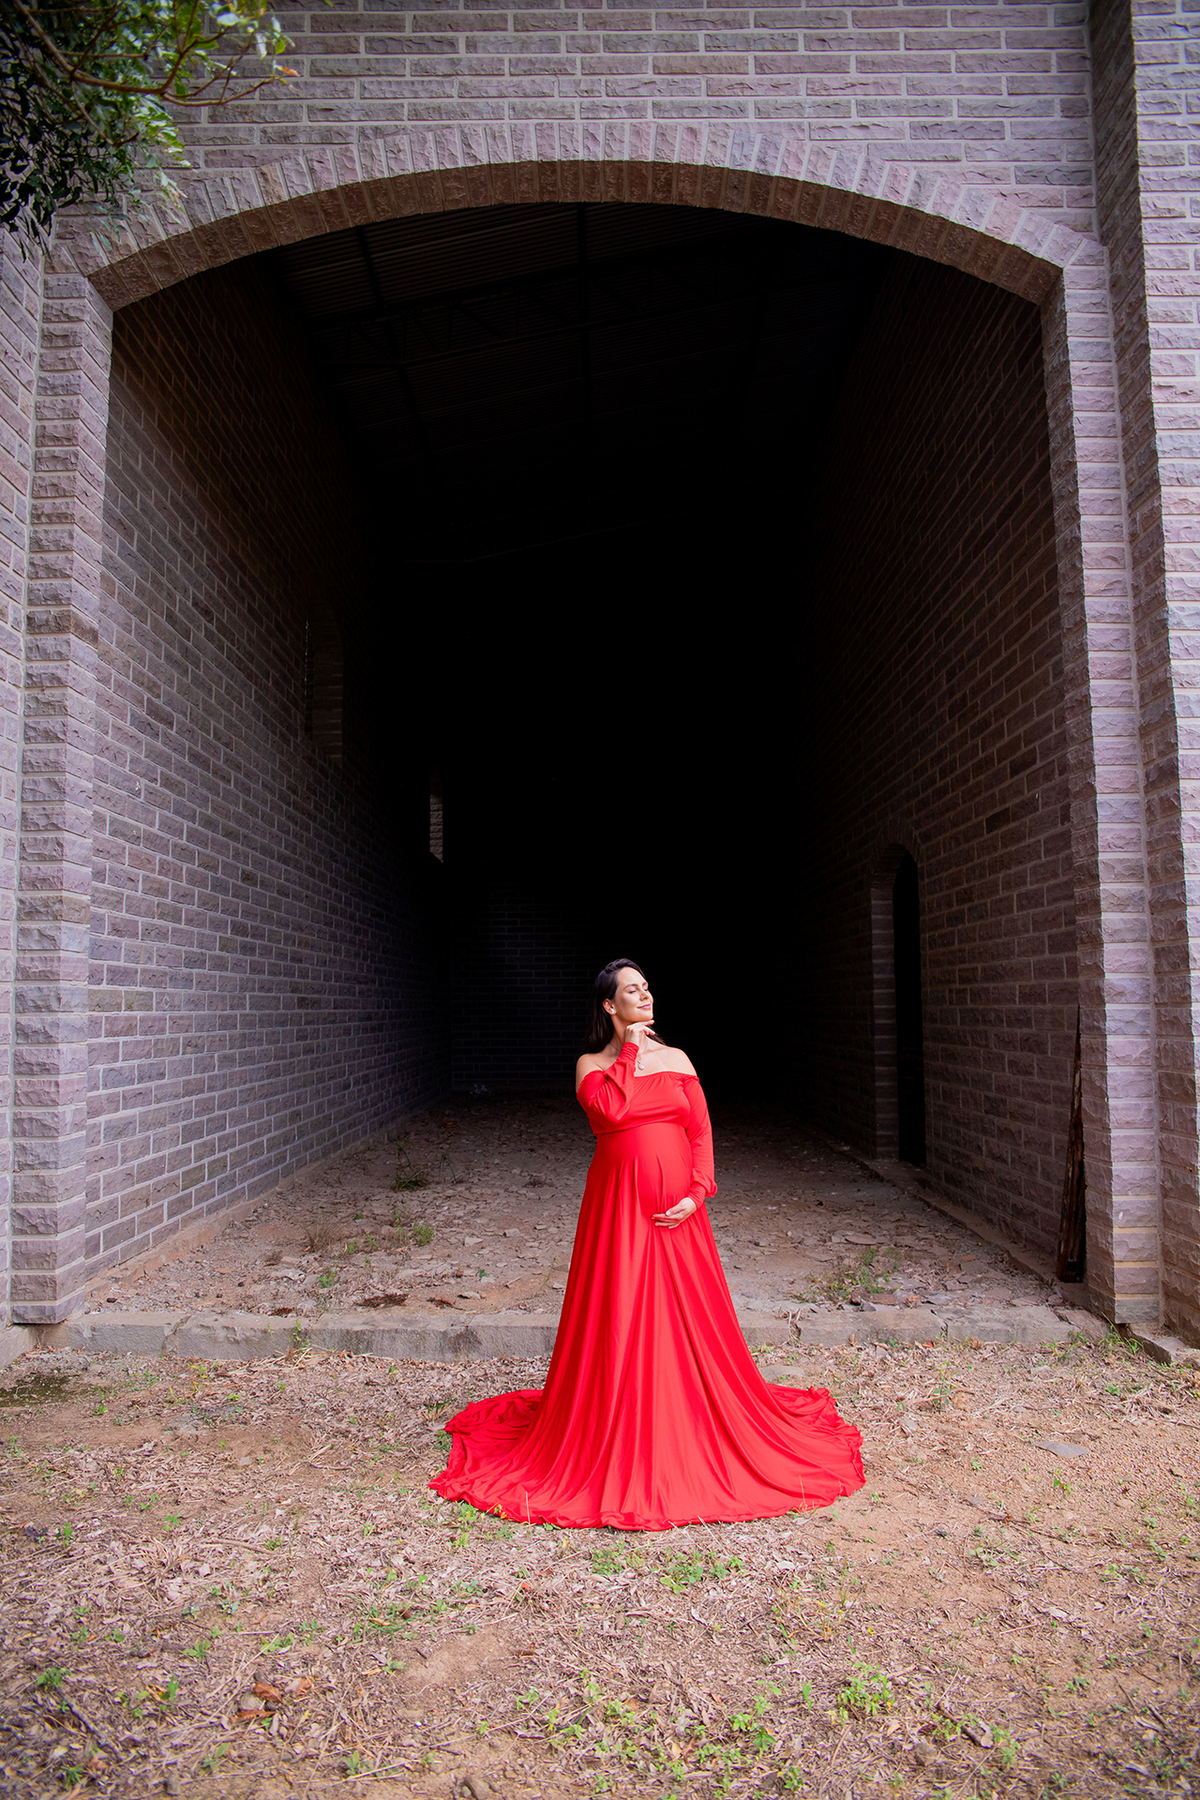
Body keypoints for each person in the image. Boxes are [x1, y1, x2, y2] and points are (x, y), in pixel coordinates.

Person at [429, 959, 864, 1529]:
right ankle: (617, 1413)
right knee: (622, 1305)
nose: (647, 995)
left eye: (648, 987)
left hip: (679, 1209)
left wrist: (699, 1189)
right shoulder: (592, 1065)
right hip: (618, 1206)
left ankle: (689, 1412)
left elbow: (700, 1129)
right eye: (633, 990)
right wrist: (630, 1050)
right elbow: (611, 1113)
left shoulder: (679, 1059)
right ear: (610, 1007)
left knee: (689, 1310)